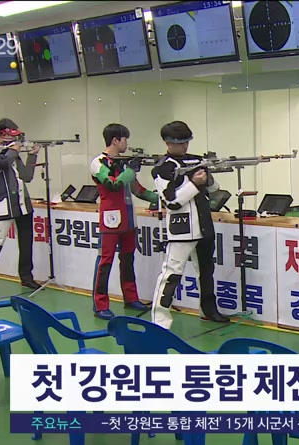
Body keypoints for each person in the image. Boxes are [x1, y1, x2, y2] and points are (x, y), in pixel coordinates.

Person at [150, 121, 228, 329]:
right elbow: (172, 202)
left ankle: (208, 310)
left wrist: (207, 179)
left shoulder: (196, 160)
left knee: (206, 272)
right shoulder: (163, 168)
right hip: (181, 228)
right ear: (168, 143)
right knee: (171, 274)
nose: (185, 146)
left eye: (187, 141)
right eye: (180, 142)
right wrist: (194, 183)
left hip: (204, 225)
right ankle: (160, 321)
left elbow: (215, 189)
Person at [89, 124, 157, 319]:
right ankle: (100, 304)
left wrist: (165, 198)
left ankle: (131, 297)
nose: (127, 143)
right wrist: (130, 170)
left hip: (128, 219)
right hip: (110, 219)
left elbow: (138, 190)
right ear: (115, 140)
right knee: (105, 261)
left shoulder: (123, 164)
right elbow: (113, 184)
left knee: (128, 260)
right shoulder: (98, 162)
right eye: (125, 139)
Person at [0, 118, 42, 290]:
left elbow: (27, 176)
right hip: (3, 203)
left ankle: (26, 277)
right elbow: (1, 163)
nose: (15, 139)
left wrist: (33, 155)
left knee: (26, 243)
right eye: (12, 135)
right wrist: (13, 150)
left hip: (22, 204)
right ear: (2, 134)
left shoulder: (11, 153)